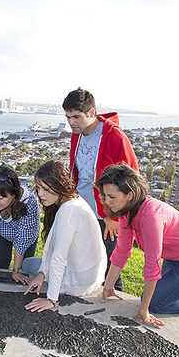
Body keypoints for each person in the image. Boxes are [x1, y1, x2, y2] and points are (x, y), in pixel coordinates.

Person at [96, 164, 179, 328]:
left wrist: (145, 310)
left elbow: (152, 264)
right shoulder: (126, 210)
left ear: (130, 195)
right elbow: (122, 251)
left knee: (155, 304)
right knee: (157, 297)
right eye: (105, 196)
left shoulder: (150, 215)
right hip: (175, 256)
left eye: (112, 197)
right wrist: (108, 286)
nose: (107, 202)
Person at [63, 87, 138, 291]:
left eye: (76, 117)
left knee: (109, 262)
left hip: (107, 212)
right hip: (82, 207)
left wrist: (114, 216)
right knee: (84, 258)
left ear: (92, 112)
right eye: (68, 117)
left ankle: (114, 308)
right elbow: (77, 172)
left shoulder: (115, 137)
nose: (71, 122)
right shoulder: (76, 135)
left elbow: (131, 181)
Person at [23, 160, 107, 312]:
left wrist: (51, 299)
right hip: (92, 274)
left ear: (60, 186)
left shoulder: (68, 211)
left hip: (78, 281)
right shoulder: (75, 199)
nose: (40, 194)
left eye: (47, 189)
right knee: (34, 266)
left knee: (27, 264)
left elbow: (58, 258)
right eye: (39, 187)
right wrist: (42, 273)